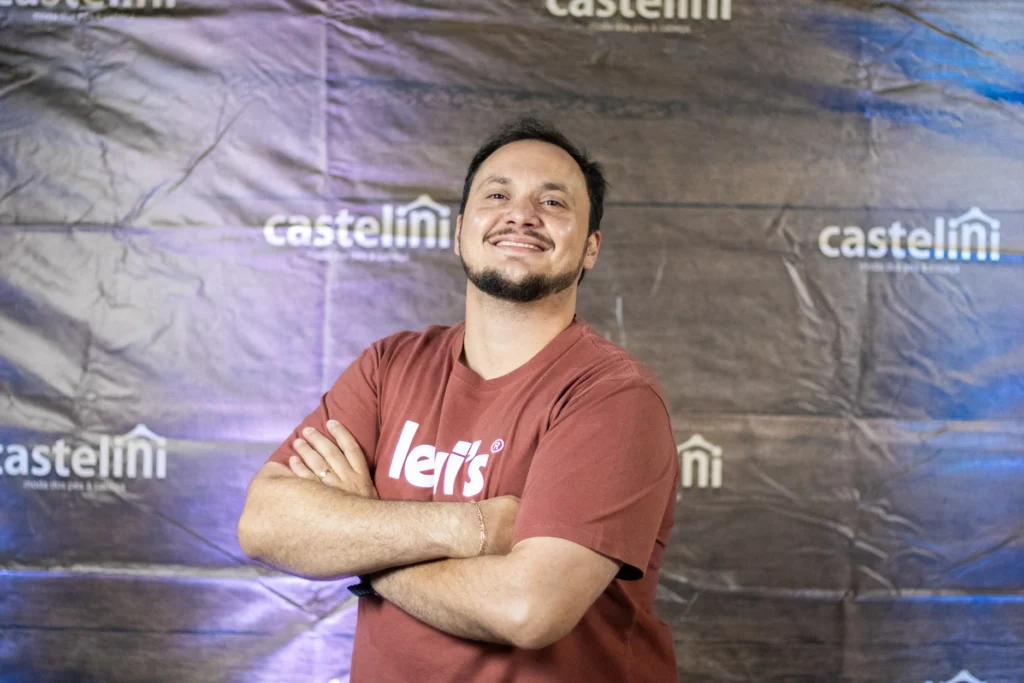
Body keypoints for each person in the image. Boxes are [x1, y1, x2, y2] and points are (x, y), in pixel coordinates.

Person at [238, 117, 680, 682]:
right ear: (459, 231)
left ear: (590, 248)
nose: (522, 214)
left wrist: (367, 546)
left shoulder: (612, 396)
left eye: (553, 202)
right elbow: (265, 522)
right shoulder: (389, 366)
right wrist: (473, 527)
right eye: (497, 195)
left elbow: (527, 609)